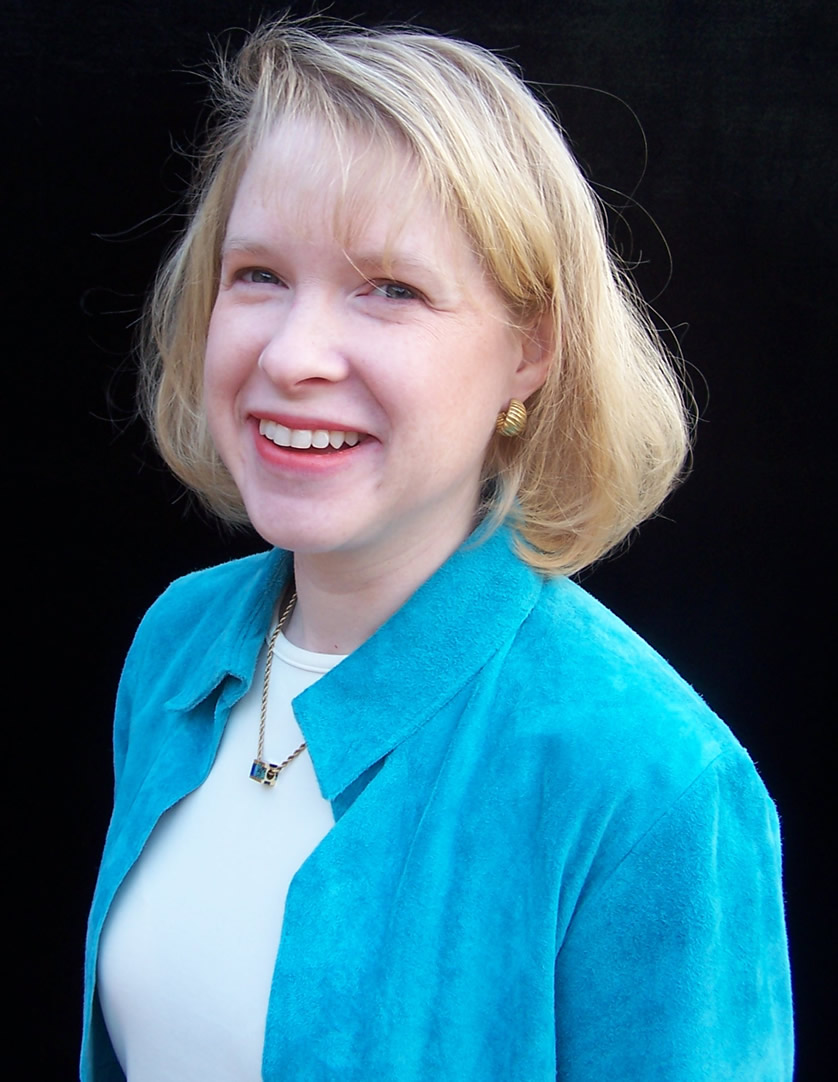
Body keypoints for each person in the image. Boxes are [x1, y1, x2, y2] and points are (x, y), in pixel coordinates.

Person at [81, 16, 793, 1081]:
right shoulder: (176, 644)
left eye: (391, 289)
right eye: (259, 273)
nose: (294, 353)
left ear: (529, 350)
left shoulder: (650, 777)